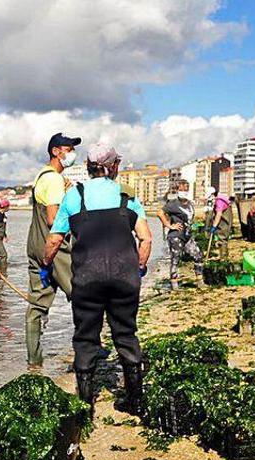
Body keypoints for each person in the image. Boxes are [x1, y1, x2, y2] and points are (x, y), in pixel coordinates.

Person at [41, 142, 152, 414]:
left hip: (87, 280)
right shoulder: (127, 195)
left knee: (85, 338)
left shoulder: (75, 196)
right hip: (124, 278)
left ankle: (85, 404)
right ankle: (134, 401)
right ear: (114, 166)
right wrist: (139, 266)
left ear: (90, 168)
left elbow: (55, 240)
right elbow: (146, 238)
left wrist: (46, 266)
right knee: (125, 333)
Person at [25, 132, 80, 368]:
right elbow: (53, 219)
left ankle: (34, 362)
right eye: (69, 149)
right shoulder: (55, 179)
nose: (72, 154)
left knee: (37, 305)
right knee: (81, 297)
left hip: (35, 245)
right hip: (55, 248)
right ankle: (85, 350)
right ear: (56, 152)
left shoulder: (42, 176)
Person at [158, 179, 203, 280]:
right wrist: (169, 225)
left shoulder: (190, 204)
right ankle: (174, 283)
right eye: (181, 190)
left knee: (198, 255)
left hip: (187, 236)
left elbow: (190, 218)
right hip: (176, 236)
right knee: (176, 259)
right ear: (177, 191)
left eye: (186, 190)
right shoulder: (173, 203)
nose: (184, 192)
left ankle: (199, 280)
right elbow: (160, 213)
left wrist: (193, 226)